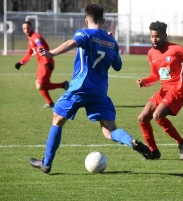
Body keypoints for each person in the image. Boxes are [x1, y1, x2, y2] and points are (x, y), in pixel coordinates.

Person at [29, 3, 151, 174]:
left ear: (86, 20)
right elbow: (118, 66)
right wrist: (110, 42)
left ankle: (46, 163)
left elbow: (73, 42)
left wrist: (51, 53)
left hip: (80, 87)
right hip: (100, 92)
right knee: (110, 130)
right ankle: (130, 141)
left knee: (57, 119)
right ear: (104, 20)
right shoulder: (111, 42)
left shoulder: (84, 33)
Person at [136, 21, 183, 160]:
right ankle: (153, 151)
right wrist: (144, 81)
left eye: (157, 36)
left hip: (176, 90)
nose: (154, 39)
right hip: (164, 90)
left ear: (165, 35)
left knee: (157, 115)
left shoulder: (176, 49)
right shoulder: (151, 53)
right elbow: (155, 76)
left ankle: (182, 143)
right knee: (142, 118)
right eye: (152, 36)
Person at [14, 21, 69, 108]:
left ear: (32, 27)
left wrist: (47, 61)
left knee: (40, 85)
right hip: (41, 64)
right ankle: (50, 103)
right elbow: (29, 53)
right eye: (24, 28)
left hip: (46, 63)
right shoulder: (30, 39)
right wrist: (20, 63)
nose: (26, 30)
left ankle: (63, 85)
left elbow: (41, 47)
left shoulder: (36, 37)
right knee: (39, 84)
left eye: (28, 28)